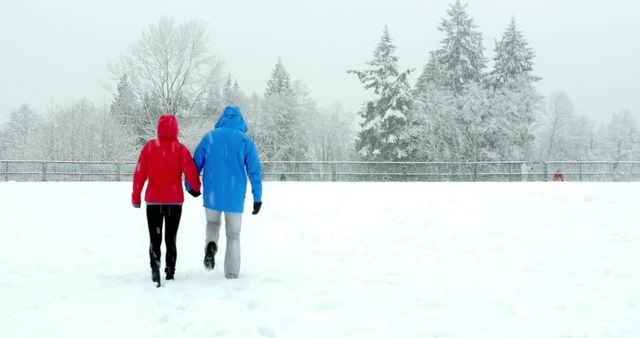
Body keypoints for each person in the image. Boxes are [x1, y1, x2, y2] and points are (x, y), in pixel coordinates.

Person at [190, 105, 262, 279]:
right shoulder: (245, 141)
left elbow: (194, 165)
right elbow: (254, 171)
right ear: (240, 120)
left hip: (212, 194)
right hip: (234, 195)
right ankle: (231, 273)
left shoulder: (210, 138)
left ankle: (211, 245)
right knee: (233, 235)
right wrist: (257, 197)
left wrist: (192, 186)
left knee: (212, 224)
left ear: (222, 119)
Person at [132, 114, 201, 287]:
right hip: (174, 202)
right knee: (171, 238)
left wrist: (136, 197)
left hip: (154, 202)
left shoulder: (149, 147)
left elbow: (139, 173)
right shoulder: (180, 149)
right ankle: (170, 271)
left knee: (155, 239)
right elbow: (191, 171)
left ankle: (155, 269)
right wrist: (196, 188)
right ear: (176, 128)